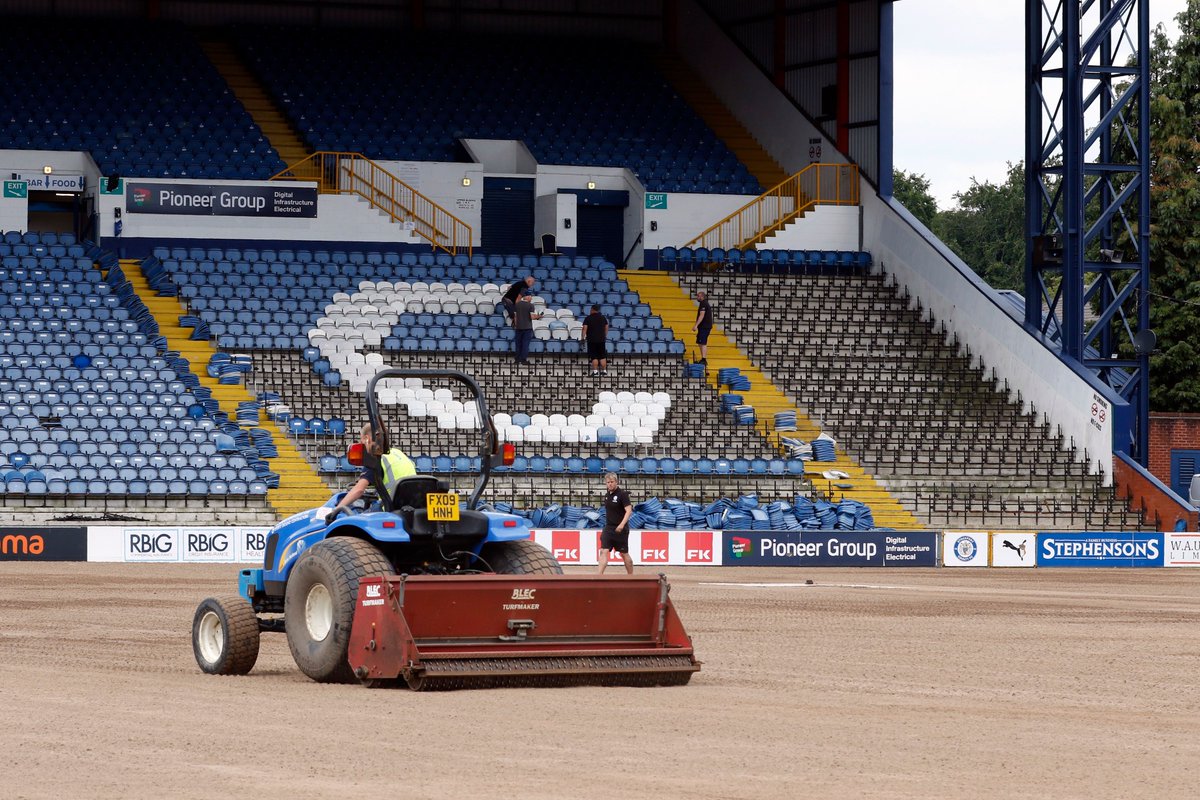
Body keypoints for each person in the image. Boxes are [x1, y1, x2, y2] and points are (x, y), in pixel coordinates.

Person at [325, 422, 416, 524]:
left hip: (389, 509)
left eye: (361, 440)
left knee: (355, 521)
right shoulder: (398, 453)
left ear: (367, 438)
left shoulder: (376, 458)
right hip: (411, 508)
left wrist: (336, 509)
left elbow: (359, 490)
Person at [598, 472, 633, 575]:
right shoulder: (607, 495)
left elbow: (629, 510)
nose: (610, 484)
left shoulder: (622, 495)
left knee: (624, 554)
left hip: (621, 529)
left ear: (616, 482)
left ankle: (631, 577)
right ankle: (598, 577)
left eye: (612, 482)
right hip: (608, 528)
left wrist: (622, 525)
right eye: (608, 482)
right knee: (603, 551)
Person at [512, 288, 542, 365]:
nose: (531, 297)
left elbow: (515, 317)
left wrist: (516, 325)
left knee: (518, 344)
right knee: (525, 344)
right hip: (527, 328)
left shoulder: (517, 304)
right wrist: (539, 316)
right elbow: (532, 317)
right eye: (530, 296)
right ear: (527, 296)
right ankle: (523, 360)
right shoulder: (530, 305)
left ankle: (517, 360)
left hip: (518, 328)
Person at [581, 303, 609, 377]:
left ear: (592, 309)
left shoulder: (588, 318)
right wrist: (604, 335)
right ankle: (604, 371)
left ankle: (595, 371)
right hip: (601, 340)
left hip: (592, 340)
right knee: (602, 356)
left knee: (594, 356)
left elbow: (584, 329)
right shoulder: (603, 318)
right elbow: (606, 327)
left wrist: (582, 338)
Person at [691, 289, 713, 364]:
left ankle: (704, 359)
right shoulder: (703, 303)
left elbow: (702, 315)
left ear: (702, 297)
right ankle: (703, 358)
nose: (697, 297)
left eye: (698, 296)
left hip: (705, 326)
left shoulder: (703, 303)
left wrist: (696, 325)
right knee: (700, 342)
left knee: (703, 342)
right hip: (703, 326)